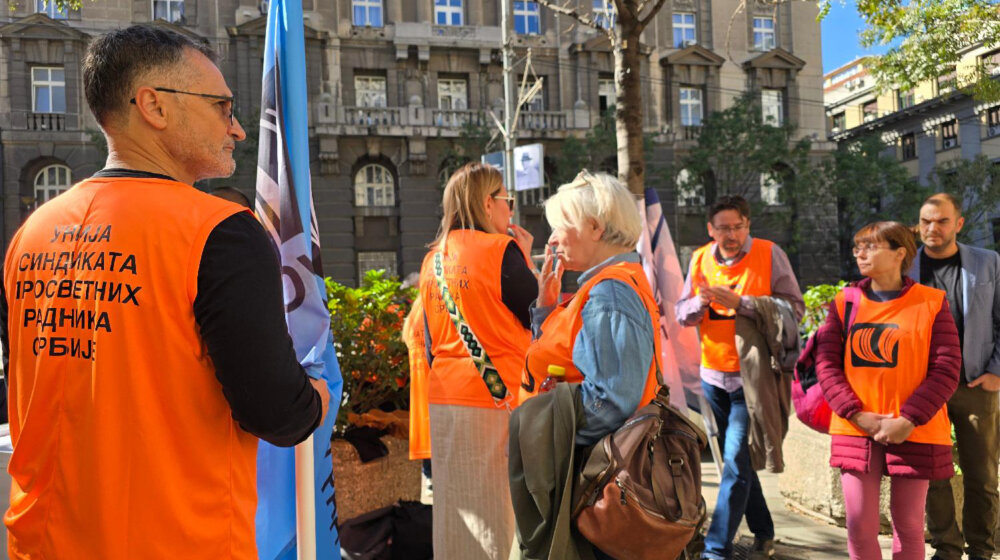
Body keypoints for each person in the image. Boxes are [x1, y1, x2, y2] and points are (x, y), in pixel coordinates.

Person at [0, 25, 329, 560]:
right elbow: (278, 412)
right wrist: (317, 395)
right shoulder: (218, 230)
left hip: (42, 541)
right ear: (153, 105)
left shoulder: (33, 233)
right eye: (222, 107)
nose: (239, 130)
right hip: (176, 539)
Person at [511, 170, 662, 560]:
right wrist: (545, 308)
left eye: (563, 226)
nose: (553, 239)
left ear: (595, 228)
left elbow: (611, 401)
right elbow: (565, 360)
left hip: (597, 479)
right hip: (601, 477)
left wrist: (547, 439)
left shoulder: (609, 290)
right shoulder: (607, 283)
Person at [815, 221, 960, 560]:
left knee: (909, 526)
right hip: (856, 427)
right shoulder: (845, 301)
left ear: (900, 253)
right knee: (859, 525)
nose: (860, 254)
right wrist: (857, 414)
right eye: (857, 247)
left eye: (870, 246)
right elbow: (826, 365)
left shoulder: (932, 302)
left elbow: (947, 368)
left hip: (916, 428)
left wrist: (908, 418)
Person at [418, 162, 537, 560]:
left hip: (445, 397)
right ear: (488, 203)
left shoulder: (433, 259)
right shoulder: (502, 251)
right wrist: (530, 260)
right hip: (495, 397)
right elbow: (537, 317)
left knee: (454, 512)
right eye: (508, 200)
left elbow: (431, 339)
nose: (511, 210)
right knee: (493, 517)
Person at [676, 195, 803, 560]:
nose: (731, 235)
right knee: (740, 462)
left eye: (738, 227)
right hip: (712, 376)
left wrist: (742, 304)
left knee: (734, 461)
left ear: (747, 225)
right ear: (710, 230)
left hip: (754, 377)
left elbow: (794, 308)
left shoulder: (768, 253)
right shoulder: (700, 257)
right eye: (723, 228)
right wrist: (698, 306)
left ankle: (716, 550)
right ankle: (763, 533)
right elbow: (681, 310)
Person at [911, 194, 1000, 560]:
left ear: (958, 224)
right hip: (925, 389)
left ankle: (982, 549)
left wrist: (997, 371)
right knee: (933, 475)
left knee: (983, 476)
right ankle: (946, 548)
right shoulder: (904, 268)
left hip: (976, 383)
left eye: (942, 221)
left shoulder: (988, 262)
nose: (933, 229)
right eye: (926, 221)